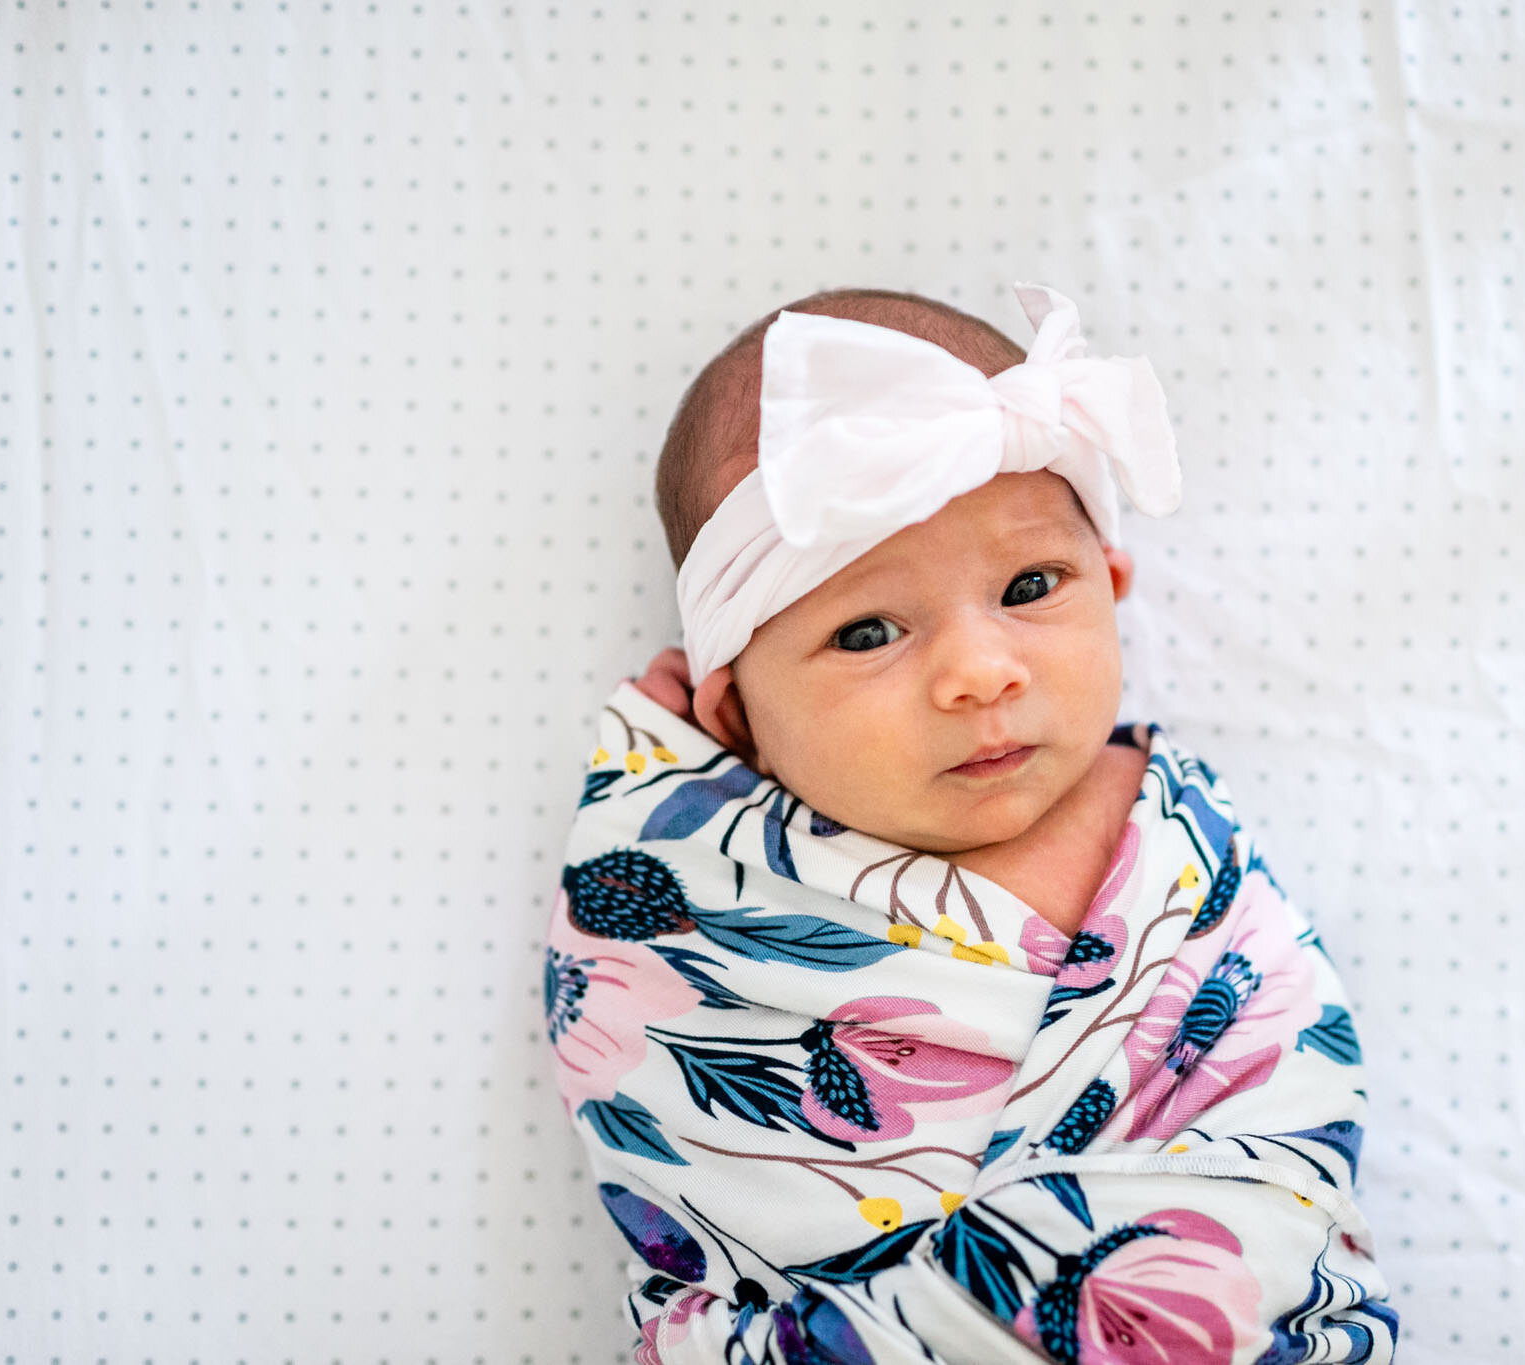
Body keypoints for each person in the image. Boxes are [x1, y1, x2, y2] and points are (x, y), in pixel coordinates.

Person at [549, 283, 1397, 1364]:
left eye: (1029, 584)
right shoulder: (687, 883)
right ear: (738, 717)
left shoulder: (1178, 842)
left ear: (1110, 580)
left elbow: (1283, 1095)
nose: (977, 672)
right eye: (866, 631)